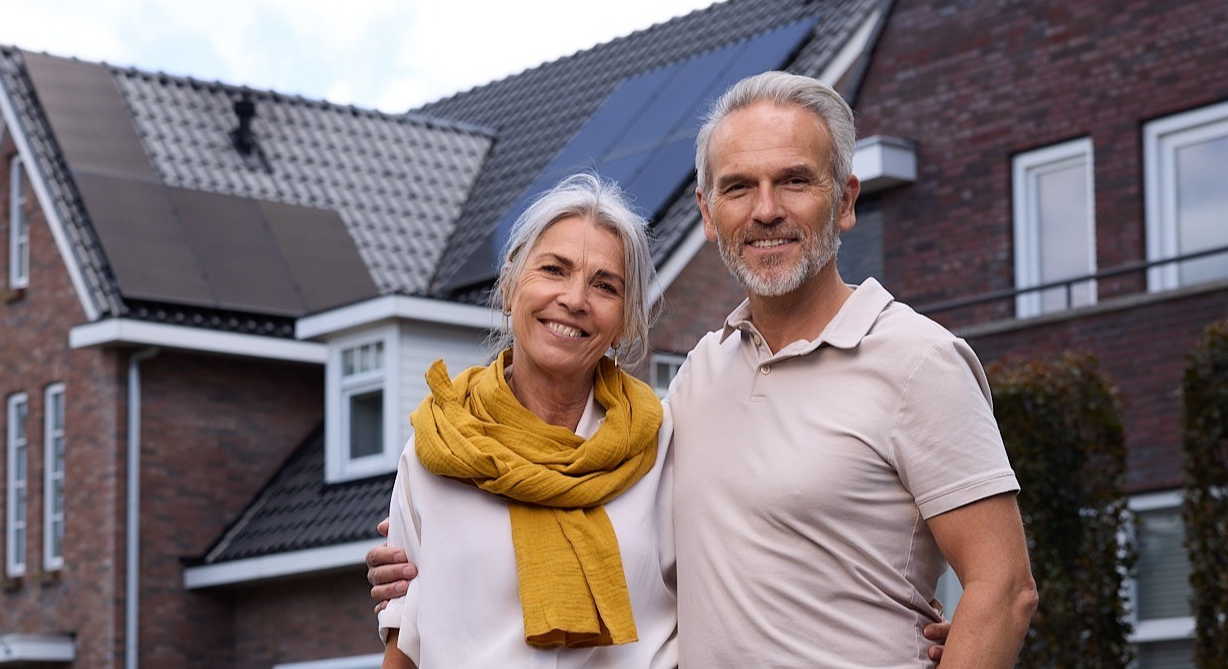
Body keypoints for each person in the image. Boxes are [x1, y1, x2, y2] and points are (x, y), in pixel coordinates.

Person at [374, 72, 1037, 667]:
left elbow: (1003, 591)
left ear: (845, 199)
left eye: (795, 181)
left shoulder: (918, 360)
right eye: (739, 187)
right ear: (708, 214)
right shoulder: (695, 379)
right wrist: (425, 554)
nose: (766, 209)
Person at [377, 172, 677, 668]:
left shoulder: (663, 445)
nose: (576, 299)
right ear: (511, 285)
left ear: (626, 320)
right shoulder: (440, 448)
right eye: (554, 270)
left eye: (605, 285)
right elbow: (404, 645)